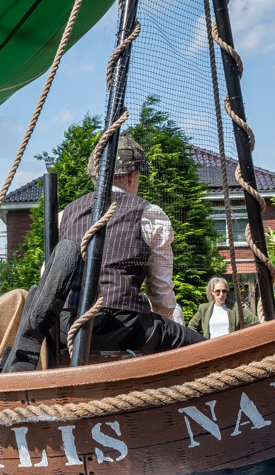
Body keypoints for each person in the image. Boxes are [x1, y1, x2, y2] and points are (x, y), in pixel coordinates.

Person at [59, 134, 203, 355]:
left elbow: (49, 277)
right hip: (122, 324)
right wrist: (160, 326)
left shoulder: (65, 214)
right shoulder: (150, 214)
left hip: (66, 325)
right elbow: (160, 292)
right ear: (131, 176)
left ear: (95, 178)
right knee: (201, 348)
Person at [188, 276, 260, 339]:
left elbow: (256, 322)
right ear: (212, 292)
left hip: (231, 347)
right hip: (211, 349)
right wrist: (200, 341)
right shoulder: (204, 309)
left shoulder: (235, 308)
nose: (221, 294)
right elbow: (191, 326)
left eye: (224, 291)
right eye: (218, 291)